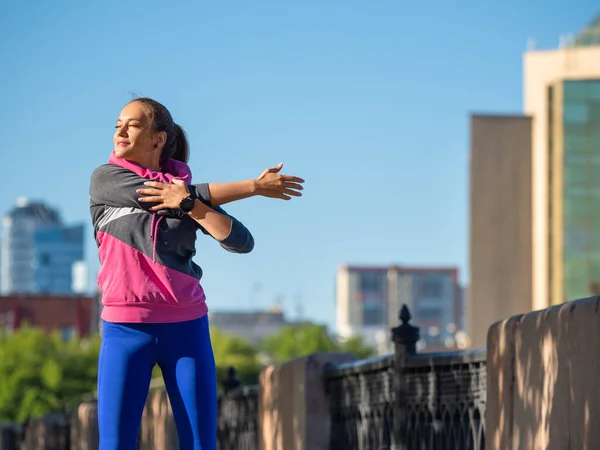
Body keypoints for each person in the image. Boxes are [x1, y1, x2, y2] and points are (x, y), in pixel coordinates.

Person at [89, 97, 304, 450]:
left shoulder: (187, 197)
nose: (120, 131)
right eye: (118, 124)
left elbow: (240, 241)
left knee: (202, 444)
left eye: (133, 124)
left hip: (187, 330)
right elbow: (157, 194)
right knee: (116, 445)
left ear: (158, 139)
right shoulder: (106, 180)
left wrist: (191, 206)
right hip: (125, 329)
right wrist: (252, 186)